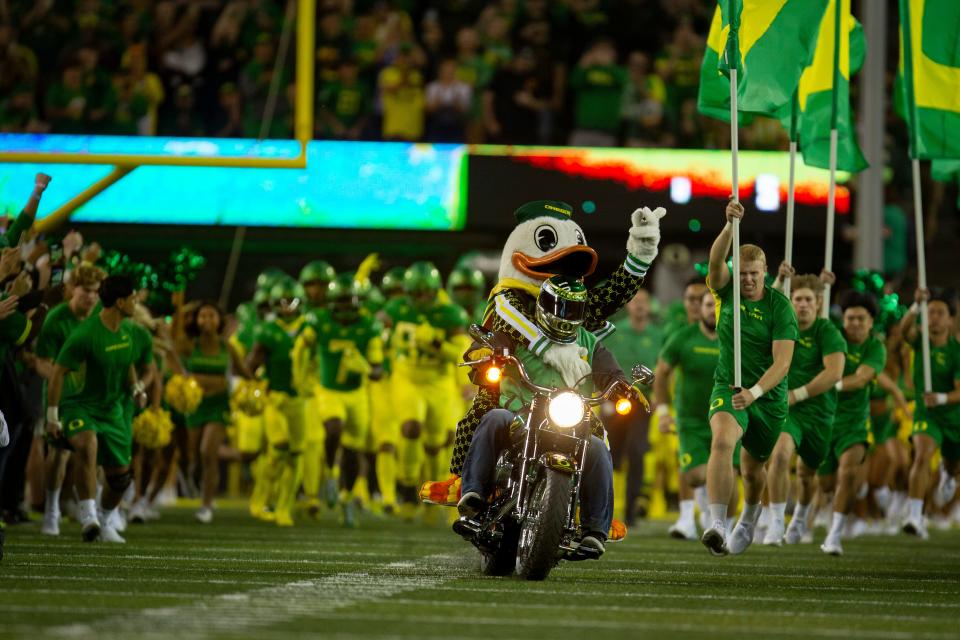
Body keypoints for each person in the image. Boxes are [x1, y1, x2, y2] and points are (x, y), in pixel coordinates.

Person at [459, 276, 637, 556]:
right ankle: (472, 494)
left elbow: (611, 373)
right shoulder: (521, 330)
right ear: (543, 304)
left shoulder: (589, 343)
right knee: (493, 418)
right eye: (559, 307)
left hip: (570, 421)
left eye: (573, 310)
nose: (565, 317)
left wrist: (624, 389)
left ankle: (595, 531)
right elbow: (491, 344)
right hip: (520, 412)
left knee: (599, 449)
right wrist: (489, 355)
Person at [701, 198, 797, 556]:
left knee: (754, 470)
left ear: (766, 272)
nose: (748, 279)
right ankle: (717, 523)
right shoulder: (725, 291)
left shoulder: (779, 307)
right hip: (729, 385)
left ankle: (749, 519)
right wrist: (729, 225)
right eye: (742, 273)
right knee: (723, 441)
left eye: (755, 274)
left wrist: (755, 392)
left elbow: (783, 363)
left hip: (768, 397)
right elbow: (714, 261)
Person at [44, 275, 147, 543]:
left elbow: (128, 363)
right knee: (88, 443)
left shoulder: (126, 332)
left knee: (120, 479)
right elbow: (57, 373)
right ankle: (88, 517)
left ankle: (103, 519)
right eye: (133, 299)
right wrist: (53, 417)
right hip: (79, 406)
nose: (136, 303)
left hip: (112, 411)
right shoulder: (86, 334)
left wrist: (136, 389)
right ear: (121, 302)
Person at [766, 271, 846, 546]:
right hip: (788, 412)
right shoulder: (782, 327)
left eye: (807, 299)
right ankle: (777, 523)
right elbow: (762, 308)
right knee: (779, 456)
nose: (802, 304)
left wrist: (798, 394)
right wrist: (777, 281)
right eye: (797, 299)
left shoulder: (827, 331)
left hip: (819, 413)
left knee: (807, 473)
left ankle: (801, 516)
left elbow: (834, 372)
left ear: (818, 303)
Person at [381, 262, 468, 513]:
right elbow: (375, 328)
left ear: (435, 290)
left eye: (425, 292)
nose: (421, 298)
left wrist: (439, 344)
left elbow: (460, 354)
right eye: (416, 293)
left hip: (438, 381)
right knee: (410, 426)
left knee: (437, 442)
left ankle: (432, 488)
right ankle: (406, 482)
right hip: (406, 377)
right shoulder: (396, 309)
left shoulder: (450, 314)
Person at [302, 273, 384, 526]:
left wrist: (367, 369)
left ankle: (347, 497)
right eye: (342, 300)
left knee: (352, 452)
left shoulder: (368, 325)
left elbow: (378, 371)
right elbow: (301, 348)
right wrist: (301, 376)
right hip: (328, 390)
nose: (346, 306)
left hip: (356, 394)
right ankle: (329, 473)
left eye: (350, 300)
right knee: (333, 428)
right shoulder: (318, 321)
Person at [36, 264, 107, 536]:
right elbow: (42, 362)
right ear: (72, 290)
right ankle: (51, 510)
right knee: (59, 454)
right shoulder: (57, 318)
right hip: (62, 397)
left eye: (96, 292)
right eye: (86, 290)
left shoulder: (101, 316)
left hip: (93, 399)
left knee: (94, 451)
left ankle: (94, 511)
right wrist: (60, 374)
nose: (91, 297)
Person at [817, 291, 886, 555]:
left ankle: (834, 535)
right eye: (850, 318)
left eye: (861, 318)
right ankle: (833, 503)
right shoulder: (833, 338)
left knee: (847, 474)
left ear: (870, 321)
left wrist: (828, 385)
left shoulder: (875, 346)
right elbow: (815, 321)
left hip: (855, 425)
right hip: (824, 421)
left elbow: (861, 379)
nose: (855, 323)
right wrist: (822, 290)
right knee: (825, 485)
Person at [655, 288, 722, 540]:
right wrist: (664, 412)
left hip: (724, 416)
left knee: (724, 471)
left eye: (715, 305)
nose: (709, 310)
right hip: (690, 417)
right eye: (705, 304)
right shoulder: (683, 337)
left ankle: (711, 514)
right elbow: (661, 373)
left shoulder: (733, 339)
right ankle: (686, 518)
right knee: (693, 472)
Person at [246, 277, 311, 527]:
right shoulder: (268, 330)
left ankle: (284, 507)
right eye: (281, 302)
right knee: (280, 447)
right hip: (275, 397)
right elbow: (252, 364)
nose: (287, 306)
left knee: (296, 455)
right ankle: (259, 500)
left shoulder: (309, 327)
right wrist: (253, 387)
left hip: (300, 400)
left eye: (291, 301)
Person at [900, 288, 960, 539]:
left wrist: (942, 398)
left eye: (940, 313)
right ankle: (915, 514)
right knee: (922, 456)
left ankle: (948, 474)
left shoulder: (957, 351)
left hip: (953, 418)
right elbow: (904, 331)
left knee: (952, 465)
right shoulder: (920, 341)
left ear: (950, 319)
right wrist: (915, 306)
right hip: (927, 415)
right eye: (930, 312)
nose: (934, 317)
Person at [604, 289, 662, 525]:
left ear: (649, 307)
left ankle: (630, 512)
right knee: (608, 455)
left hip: (642, 402)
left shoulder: (658, 335)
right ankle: (604, 508)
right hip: (613, 399)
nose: (639, 306)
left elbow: (663, 368)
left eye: (644, 302)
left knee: (637, 452)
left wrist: (659, 394)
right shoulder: (614, 332)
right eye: (635, 301)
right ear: (628, 306)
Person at [180, 302, 242, 524]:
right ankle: (194, 478)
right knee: (193, 457)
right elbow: (169, 350)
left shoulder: (228, 348)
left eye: (212, 316)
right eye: (202, 316)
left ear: (220, 320)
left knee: (208, 452)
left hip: (219, 405)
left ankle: (206, 505)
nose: (207, 321)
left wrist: (259, 391)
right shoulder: (189, 345)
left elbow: (246, 373)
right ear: (196, 320)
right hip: (195, 406)